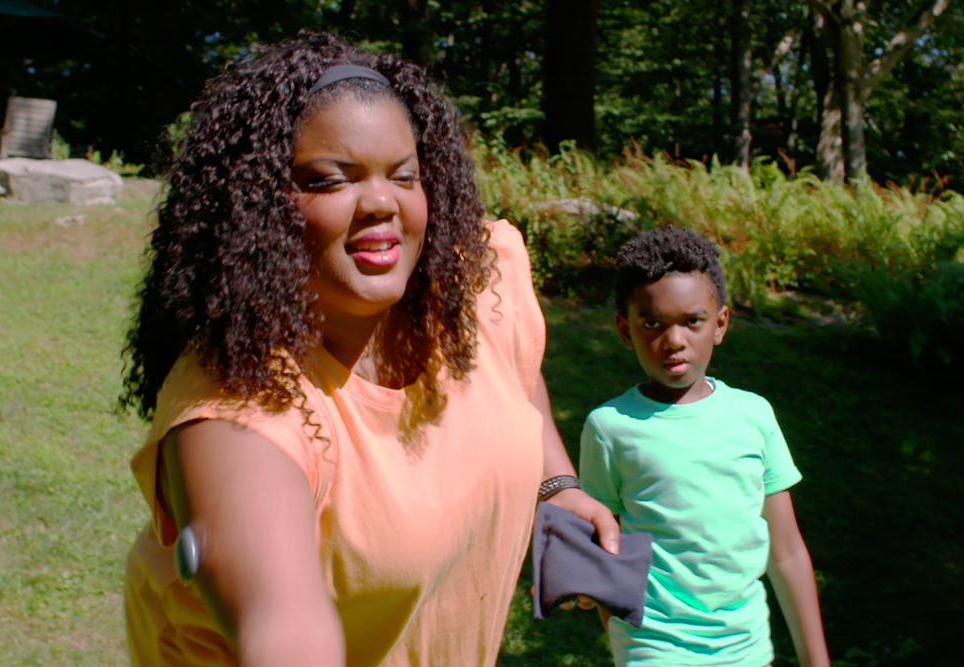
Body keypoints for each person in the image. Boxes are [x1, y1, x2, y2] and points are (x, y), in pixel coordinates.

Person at [119, 31, 617, 667]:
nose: (382, 202)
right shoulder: (239, 414)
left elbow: (513, 368)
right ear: (257, 209)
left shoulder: (476, 277)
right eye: (331, 180)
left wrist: (556, 487)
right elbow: (284, 630)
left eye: (404, 175)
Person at [578, 227, 830, 667]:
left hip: (746, 651)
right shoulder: (609, 428)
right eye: (652, 324)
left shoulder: (753, 416)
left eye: (692, 321)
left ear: (720, 324)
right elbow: (603, 548)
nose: (674, 340)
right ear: (624, 329)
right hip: (652, 650)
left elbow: (787, 552)